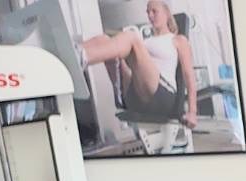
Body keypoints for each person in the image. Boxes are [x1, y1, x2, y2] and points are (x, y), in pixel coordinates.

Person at [77, 0, 198, 131]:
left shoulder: (178, 40)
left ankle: (83, 56)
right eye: (148, 12)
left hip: (162, 95)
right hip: (136, 95)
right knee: (105, 39)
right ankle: (76, 52)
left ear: (166, 13)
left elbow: (189, 75)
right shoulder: (146, 41)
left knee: (131, 37)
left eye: (154, 11)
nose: (150, 15)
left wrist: (192, 112)